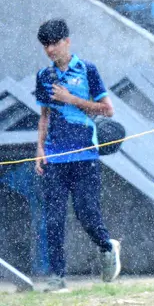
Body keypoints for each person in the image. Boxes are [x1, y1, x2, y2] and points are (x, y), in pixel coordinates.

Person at [34, 20, 121, 292]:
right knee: (54, 218)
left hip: (85, 156)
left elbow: (107, 110)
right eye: (45, 45)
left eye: (54, 43)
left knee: (86, 214)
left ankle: (107, 246)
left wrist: (71, 99)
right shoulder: (43, 76)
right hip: (54, 157)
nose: (50, 50)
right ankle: (57, 277)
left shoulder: (87, 70)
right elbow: (44, 115)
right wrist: (39, 150)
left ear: (67, 42)